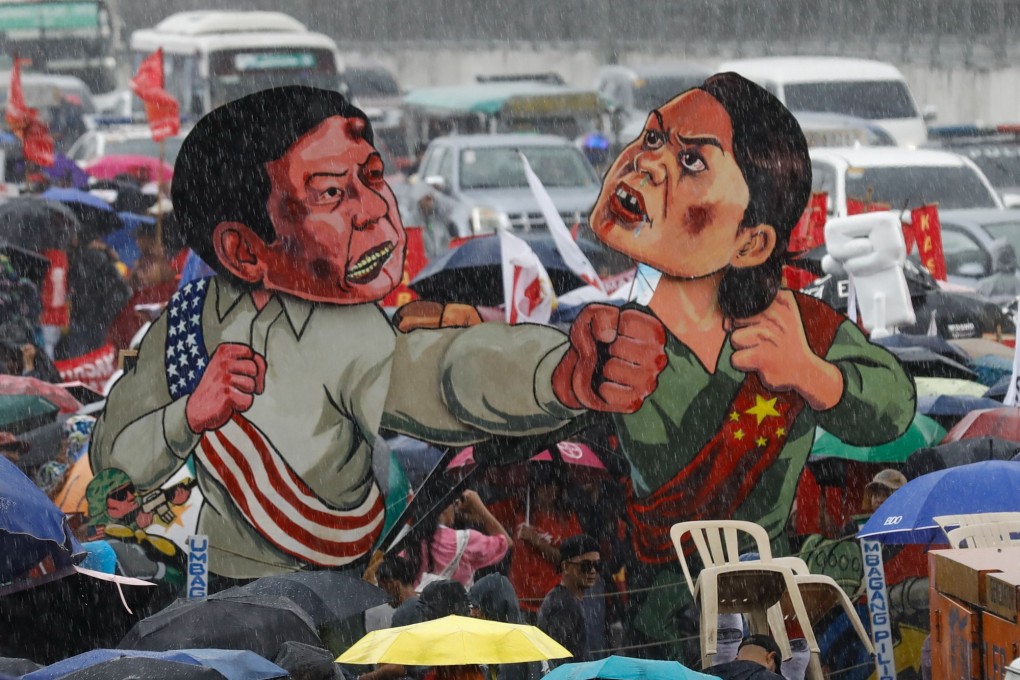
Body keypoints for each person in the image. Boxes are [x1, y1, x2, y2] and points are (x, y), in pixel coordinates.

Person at [91, 86, 668, 585]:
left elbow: (443, 374)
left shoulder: (350, 332)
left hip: (330, 593)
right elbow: (110, 470)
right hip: (202, 583)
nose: (376, 209)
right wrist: (188, 415)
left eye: (371, 177)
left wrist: (561, 370)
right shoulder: (182, 328)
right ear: (243, 250)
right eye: (330, 194)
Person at [509, 464, 583, 619]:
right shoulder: (519, 513)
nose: (549, 490)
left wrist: (537, 542)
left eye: (553, 485)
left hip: (554, 603)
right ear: (534, 487)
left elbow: (571, 563)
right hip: (521, 601)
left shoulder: (568, 519)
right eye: (543, 485)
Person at [407, 490, 511, 590]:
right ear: (444, 508)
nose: (455, 508)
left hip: (416, 604)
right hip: (451, 606)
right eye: (453, 503)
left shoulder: (412, 540)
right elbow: (506, 542)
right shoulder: (465, 541)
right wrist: (480, 508)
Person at [537, 534, 600, 666]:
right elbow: (561, 663)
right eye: (586, 565)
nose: (593, 571)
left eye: (597, 565)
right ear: (565, 566)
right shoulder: (564, 605)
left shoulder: (563, 599)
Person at [704, 634, 784, 680]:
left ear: (736, 659)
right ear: (770, 658)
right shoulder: (770, 678)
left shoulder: (707, 674)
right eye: (774, 671)